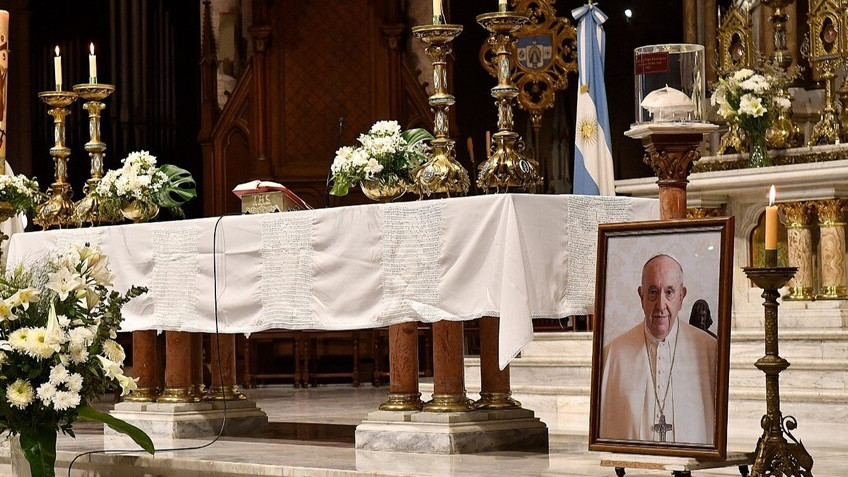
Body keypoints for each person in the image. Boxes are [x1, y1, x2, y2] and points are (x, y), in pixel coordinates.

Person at [599, 254, 717, 445]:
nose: (661, 306)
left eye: (669, 292)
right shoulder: (613, 355)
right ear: (641, 296)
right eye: (653, 292)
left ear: (681, 296)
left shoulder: (710, 351)